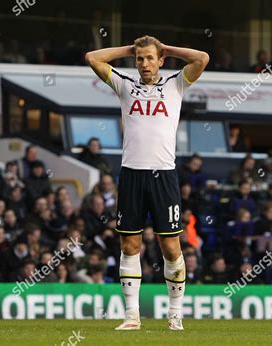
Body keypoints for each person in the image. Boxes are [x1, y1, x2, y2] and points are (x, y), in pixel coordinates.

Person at [86, 35, 209, 330]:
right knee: (130, 245)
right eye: (139, 58)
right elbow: (93, 57)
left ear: (161, 60)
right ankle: (132, 316)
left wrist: (167, 47)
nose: (144, 63)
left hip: (164, 176)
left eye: (150, 58)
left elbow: (202, 58)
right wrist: (129, 49)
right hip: (131, 174)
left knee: (171, 248)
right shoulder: (125, 85)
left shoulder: (176, 84)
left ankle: (175, 315)